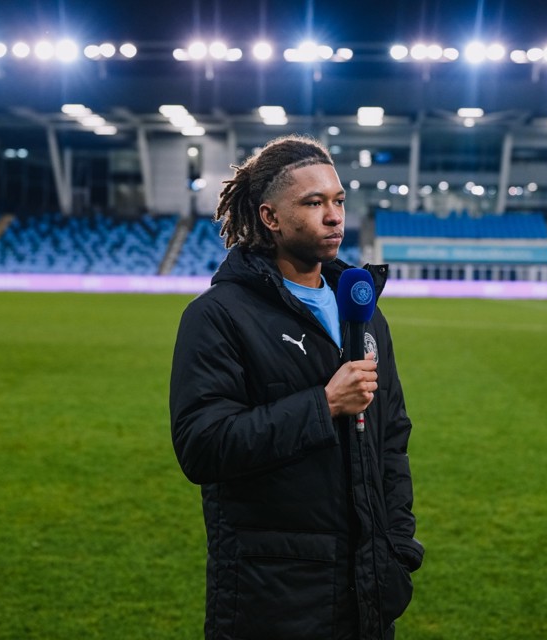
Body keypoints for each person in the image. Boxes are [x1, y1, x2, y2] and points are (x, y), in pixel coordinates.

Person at [169, 135, 422, 640]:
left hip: (368, 589)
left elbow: (392, 439)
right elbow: (202, 446)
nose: (333, 216)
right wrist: (323, 404)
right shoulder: (217, 317)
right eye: (313, 203)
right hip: (273, 597)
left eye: (338, 201)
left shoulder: (365, 313)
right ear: (270, 217)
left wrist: (399, 545)